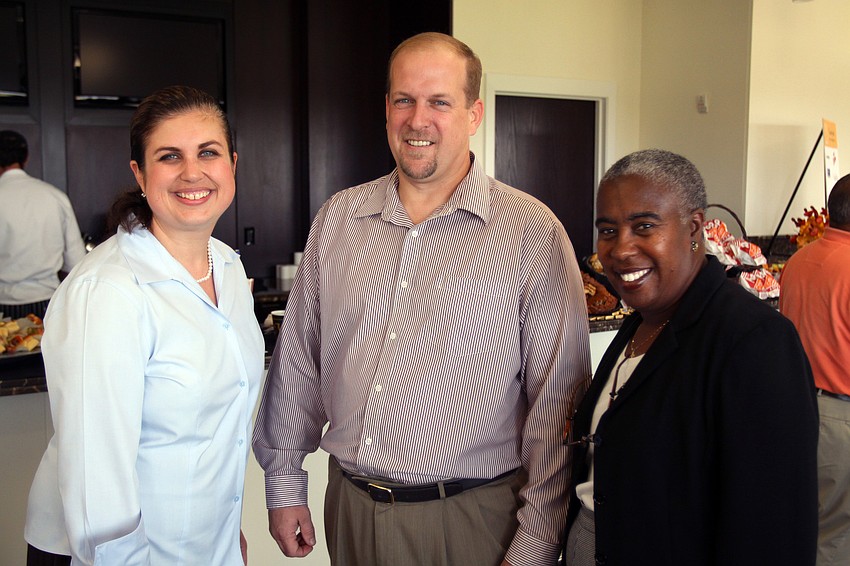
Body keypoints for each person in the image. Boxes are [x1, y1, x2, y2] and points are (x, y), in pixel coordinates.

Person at [252, 32, 591, 566]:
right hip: (352, 511)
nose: (418, 120)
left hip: (472, 523)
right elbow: (299, 358)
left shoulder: (531, 232)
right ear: (386, 108)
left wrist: (535, 542)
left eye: (440, 102)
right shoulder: (338, 220)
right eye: (404, 100)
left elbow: (558, 407)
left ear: (474, 113)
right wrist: (285, 481)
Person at [23, 86, 264, 565]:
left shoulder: (229, 268)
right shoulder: (109, 291)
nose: (192, 172)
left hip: (200, 544)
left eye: (208, 153)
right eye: (169, 156)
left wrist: (221, 528)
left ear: (232, 164)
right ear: (140, 173)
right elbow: (97, 473)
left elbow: (215, 430)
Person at [563, 149, 818, 565]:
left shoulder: (754, 341)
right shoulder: (644, 321)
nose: (621, 249)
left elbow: (773, 527)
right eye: (607, 230)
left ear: (694, 227)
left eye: (644, 226)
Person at [780, 173, 850, 566]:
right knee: (838, 537)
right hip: (843, 419)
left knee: (805, 524)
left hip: (798, 406)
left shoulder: (798, 260)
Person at [0, 130, 86, 320]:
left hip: (3, 303)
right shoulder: (55, 196)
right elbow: (77, 262)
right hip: (47, 303)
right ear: (26, 158)